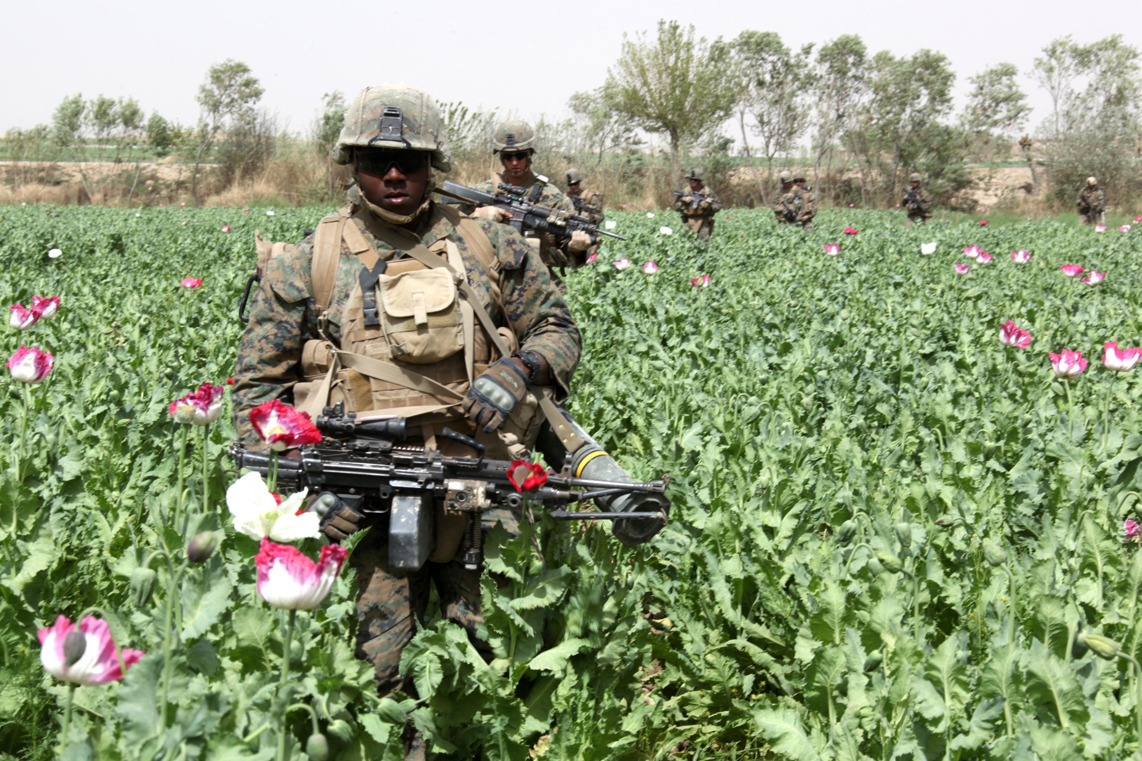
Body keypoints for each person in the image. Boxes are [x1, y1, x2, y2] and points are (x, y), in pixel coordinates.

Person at [232, 85, 599, 760]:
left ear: (435, 166)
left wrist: (518, 370)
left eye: (411, 161)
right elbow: (255, 398)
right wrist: (307, 496)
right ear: (352, 165)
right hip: (363, 501)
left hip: (481, 486)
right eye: (377, 161)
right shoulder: (308, 261)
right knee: (378, 680)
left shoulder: (488, 241)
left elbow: (557, 329)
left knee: (493, 665)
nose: (395, 174)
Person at [472, 120, 591, 274]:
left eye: (520, 155)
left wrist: (577, 250)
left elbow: (570, 258)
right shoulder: (482, 192)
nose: (514, 162)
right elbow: (454, 232)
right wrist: (475, 217)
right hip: (489, 278)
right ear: (501, 157)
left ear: (530, 154)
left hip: (536, 280)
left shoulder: (554, 198)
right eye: (508, 157)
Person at [671, 168, 721, 241]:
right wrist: (683, 202)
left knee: (703, 244)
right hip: (688, 222)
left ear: (700, 181)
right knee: (685, 243)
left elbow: (718, 206)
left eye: (695, 180)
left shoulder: (708, 192)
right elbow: (676, 207)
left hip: (703, 223)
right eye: (691, 179)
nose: (692, 181)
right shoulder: (685, 191)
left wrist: (708, 206)